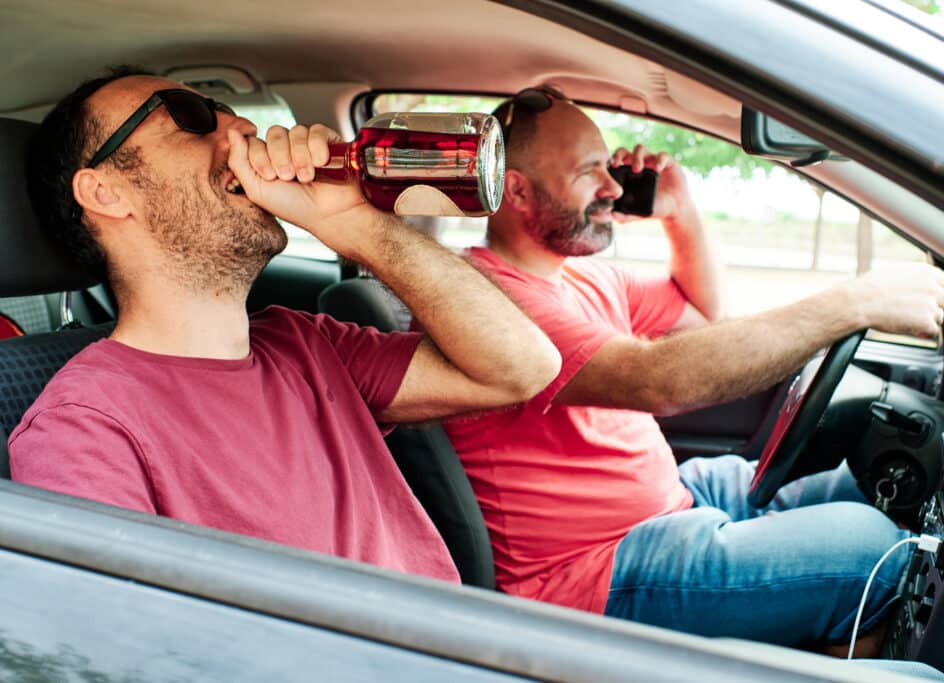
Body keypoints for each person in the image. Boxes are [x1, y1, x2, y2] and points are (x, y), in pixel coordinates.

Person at [442, 87, 944, 653]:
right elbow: (656, 380)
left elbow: (705, 316)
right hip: (592, 570)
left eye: (609, 168)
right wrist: (853, 304)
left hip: (666, 501)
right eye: (590, 173)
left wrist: (680, 212)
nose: (613, 187)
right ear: (516, 189)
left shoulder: (579, 276)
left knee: (866, 481)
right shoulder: (493, 302)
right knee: (872, 553)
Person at [7, 68, 561, 584]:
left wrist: (355, 225)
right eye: (188, 116)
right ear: (105, 192)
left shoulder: (307, 343)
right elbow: (121, 645)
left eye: (227, 109)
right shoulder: (82, 427)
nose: (244, 128)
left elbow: (521, 368)